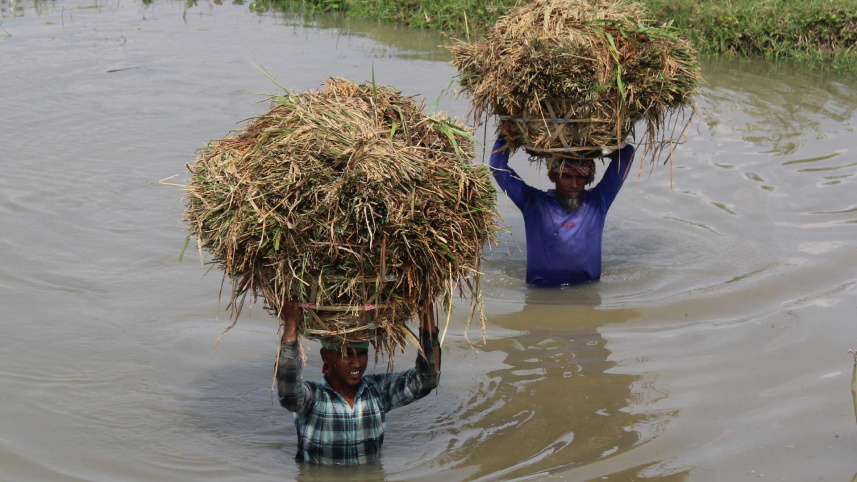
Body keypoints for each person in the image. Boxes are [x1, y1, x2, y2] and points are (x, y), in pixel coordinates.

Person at [276, 299, 441, 465]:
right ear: (326, 356)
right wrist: (291, 323)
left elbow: (426, 380)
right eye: (347, 354)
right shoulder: (314, 398)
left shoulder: (376, 391)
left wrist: (425, 311)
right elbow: (288, 395)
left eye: (362, 353)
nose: (357, 363)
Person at [489, 135, 636, 287]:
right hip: (540, 296)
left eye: (580, 177)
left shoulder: (598, 203)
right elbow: (497, 168)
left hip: (587, 295)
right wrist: (508, 134)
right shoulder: (533, 204)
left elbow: (627, 153)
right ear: (553, 176)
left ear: (588, 178)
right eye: (566, 176)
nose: (573, 184)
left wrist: (598, 149)